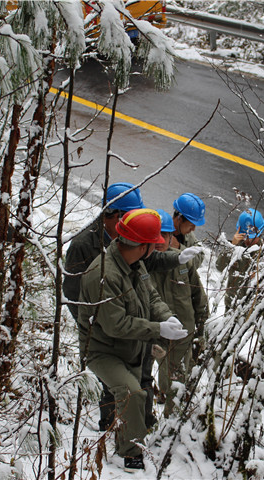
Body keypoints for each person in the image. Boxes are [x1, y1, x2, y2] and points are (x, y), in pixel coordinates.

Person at [63, 183, 202, 431]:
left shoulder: (127, 242)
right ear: (114, 215)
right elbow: (74, 294)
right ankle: (111, 426)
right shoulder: (85, 245)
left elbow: (148, 261)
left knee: (142, 376)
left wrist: (176, 258)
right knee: (115, 385)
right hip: (106, 331)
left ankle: (142, 422)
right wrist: (94, 325)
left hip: (136, 327)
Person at [78, 208, 189, 471]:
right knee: (132, 393)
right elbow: (116, 325)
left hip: (131, 346)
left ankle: (132, 431)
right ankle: (130, 453)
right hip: (103, 350)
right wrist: (157, 329)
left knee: (139, 391)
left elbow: (151, 297)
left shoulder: (134, 263)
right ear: (143, 246)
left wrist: (167, 317)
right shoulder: (103, 276)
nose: (157, 249)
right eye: (154, 245)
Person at [149, 210, 209, 417]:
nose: (160, 241)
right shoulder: (141, 266)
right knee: (159, 379)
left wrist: (201, 328)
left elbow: (198, 296)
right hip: (155, 335)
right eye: (156, 236)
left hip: (183, 334)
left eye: (165, 236)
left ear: (171, 237)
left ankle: (172, 420)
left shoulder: (183, 262)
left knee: (178, 380)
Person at [216, 208, 264, 309]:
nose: (248, 240)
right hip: (231, 306)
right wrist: (231, 246)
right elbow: (219, 266)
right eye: (245, 236)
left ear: (259, 233)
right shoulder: (235, 247)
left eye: (251, 236)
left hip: (253, 310)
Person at [170, 193, 206, 269]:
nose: (193, 229)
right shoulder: (162, 233)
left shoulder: (189, 236)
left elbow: (199, 258)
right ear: (179, 219)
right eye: (191, 225)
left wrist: (180, 247)